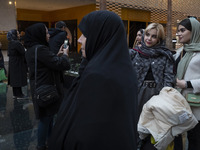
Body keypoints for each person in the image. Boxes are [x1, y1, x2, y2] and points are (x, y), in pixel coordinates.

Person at [48, 10, 138, 150]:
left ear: (100, 37)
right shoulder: (120, 69)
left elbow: (87, 133)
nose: (79, 40)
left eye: (85, 35)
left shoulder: (99, 77)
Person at [24, 23, 71, 150]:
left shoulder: (32, 49)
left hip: (39, 88)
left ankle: (50, 142)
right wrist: (65, 54)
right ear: (38, 34)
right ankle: (41, 145)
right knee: (46, 119)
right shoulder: (41, 49)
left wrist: (57, 55)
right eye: (45, 32)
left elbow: (47, 63)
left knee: (48, 118)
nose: (48, 34)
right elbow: (61, 65)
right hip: (47, 89)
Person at [129, 23, 175, 149]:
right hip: (137, 94)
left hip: (156, 95)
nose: (149, 39)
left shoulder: (165, 55)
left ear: (159, 39)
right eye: (147, 35)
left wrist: (166, 98)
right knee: (135, 124)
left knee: (152, 127)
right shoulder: (134, 53)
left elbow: (168, 78)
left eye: (154, 36)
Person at [175, 17, 200, 150]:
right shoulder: (180, 52)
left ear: (194, 31)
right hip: (178, 104)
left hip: (195, 106)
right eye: (178, 31)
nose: (178, 33)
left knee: (195, 141)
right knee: (177, 139)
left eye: (182, 30)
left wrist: (188, 84)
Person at [7, 29, 27, 99]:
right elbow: (23, 52)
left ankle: (15, 94)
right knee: (18, 78)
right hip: (18, 62)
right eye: (17, 34)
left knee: (14, 78)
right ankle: (19, 94)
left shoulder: (10, 43)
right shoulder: (17, 43)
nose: (19, 35)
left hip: (12, 62)